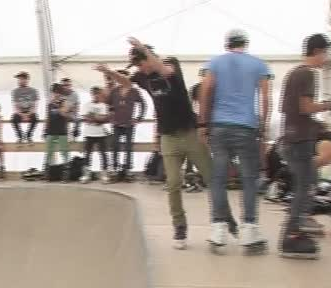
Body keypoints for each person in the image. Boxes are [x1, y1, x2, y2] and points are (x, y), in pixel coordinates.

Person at [97, 37, 235, 249]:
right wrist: (108, 72)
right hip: (168, 138)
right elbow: (126, 82)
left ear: (150, 59)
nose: (141, 69)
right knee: (173, 183)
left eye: (142, 64)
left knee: (212, 179)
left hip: (190, 134)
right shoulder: (143, 76)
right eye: (138, 66)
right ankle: (179, 227)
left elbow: (163, 69)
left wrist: (143, 49)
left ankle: (226, 217)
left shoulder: (171, 71)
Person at [198, 29, 272, 253]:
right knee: (249, 178)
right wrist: (263, 126)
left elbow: (205, 90)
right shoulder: (258, 65)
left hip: (220, 127)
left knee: (218, 178)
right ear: (245, 44)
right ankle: (249, 228)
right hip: (246, 127)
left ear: (227, 44)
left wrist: (203, 123)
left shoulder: (215, 63)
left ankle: (218, 227)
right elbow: (266, 98)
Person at [278, 34, 331, 259]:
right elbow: (305, 107)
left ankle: (295, 230)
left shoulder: (294, 73)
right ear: (318, 51)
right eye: (325, 53)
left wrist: (314, 123)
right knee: (304, 188)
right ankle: (291, 236)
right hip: (300, 141)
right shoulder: (308, 74)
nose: (326, 58)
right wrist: (326, 106)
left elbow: (291, 110)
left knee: (305, 186)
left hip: (292, 137)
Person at [105, 68, 146, 181]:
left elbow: (143, 104)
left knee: (128, 148)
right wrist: (111, 115)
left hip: (129, 124)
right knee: (115, 146)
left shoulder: (134, 91)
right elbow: (108, 104)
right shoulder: (114, 91)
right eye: (119, 77)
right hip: (116, 123)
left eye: (123, 76)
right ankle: (115, 169)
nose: (121, 79)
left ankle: (127, 170)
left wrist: (139, 118)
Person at [80, 86, 110, 184]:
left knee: (103, 154)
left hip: (100, 134)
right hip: (89, 133)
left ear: (100, 95)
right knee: (87, 154)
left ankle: (104, 174)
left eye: (98, 94)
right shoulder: (86, 105)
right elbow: (85, 118)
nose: (96, 96)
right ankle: (86, 174)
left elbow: (104, 118)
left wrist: (93, 117)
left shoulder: (103, 106)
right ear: (92, 94)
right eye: (94, 94)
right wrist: (97, 118)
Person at [43, 83, 72, 180]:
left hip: (61, 131)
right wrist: (45, 130)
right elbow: (47, 117)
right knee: (49, 152)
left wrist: (59, 107)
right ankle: (47, 173)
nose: (56, 94)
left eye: (58, 92)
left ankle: (66, 173)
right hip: (51, 131)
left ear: (61, 93)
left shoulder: (64, 102)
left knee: (64, 152)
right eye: (54, 92)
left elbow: (65, 114)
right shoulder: (50, 104)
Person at [11, 72, 39, 145]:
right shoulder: (15, 91)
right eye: (19, 79)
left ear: (26, 80)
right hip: (20, 112)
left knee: (35, 118)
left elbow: (34, 106)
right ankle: (20, 137)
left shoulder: (33, 91)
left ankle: (28, 136)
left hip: (30, 111)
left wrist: (28, 114)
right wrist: (22, 115)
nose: (19, 81)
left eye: (21, 79)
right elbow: (16, 106)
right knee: (14, 118)